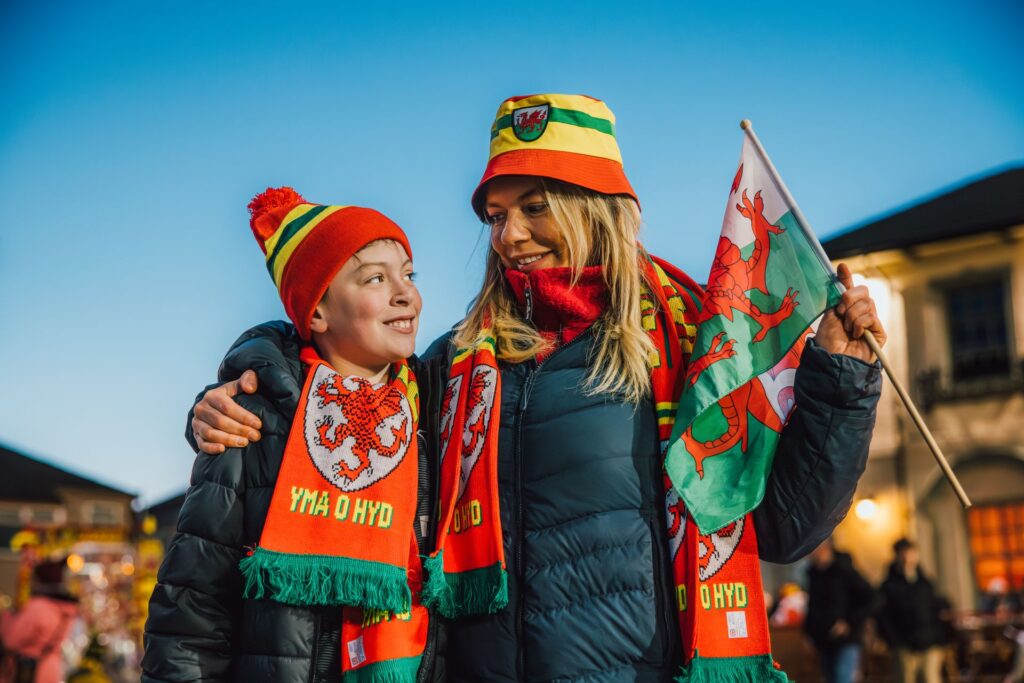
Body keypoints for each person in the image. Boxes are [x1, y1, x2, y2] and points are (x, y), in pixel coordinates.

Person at [188, 94, 887, 682]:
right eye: (495, 215)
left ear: (596, 205)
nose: (509, 235)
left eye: (534, 207)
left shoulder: (691, 344)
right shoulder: (452, 364)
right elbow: (340, 359)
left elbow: (787, 526)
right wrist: (248, 384)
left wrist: (842, 382)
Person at [142, 189, 432, 682]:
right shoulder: (250, 423)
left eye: (408, 274)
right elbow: (193, 611)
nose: (404, 293)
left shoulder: (432, 411)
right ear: (316, 312)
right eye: (376, 279)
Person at [804, 539, 877, 683]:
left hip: (847, 640)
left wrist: (848, 622)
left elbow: (873, 598)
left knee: (842, 678)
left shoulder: (843, 569)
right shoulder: (814, 574)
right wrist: (808, 632)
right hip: (824, 640)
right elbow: (813, 606)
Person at [877, 538, 947, 683]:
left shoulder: (925, 583)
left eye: (910, 553)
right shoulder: (889, 586)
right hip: (903, 645)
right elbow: (883, 616)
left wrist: (939, 636)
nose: (906, 558)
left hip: (929, 642)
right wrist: (894, 640)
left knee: (930, 678)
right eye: (902, 554)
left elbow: (936, 609)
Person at [0, 559, 81, 683]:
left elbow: (11, 640)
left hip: (29, 671)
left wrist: (5, 616)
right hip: (51, 669)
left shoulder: (38, 606)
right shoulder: (67, 608)